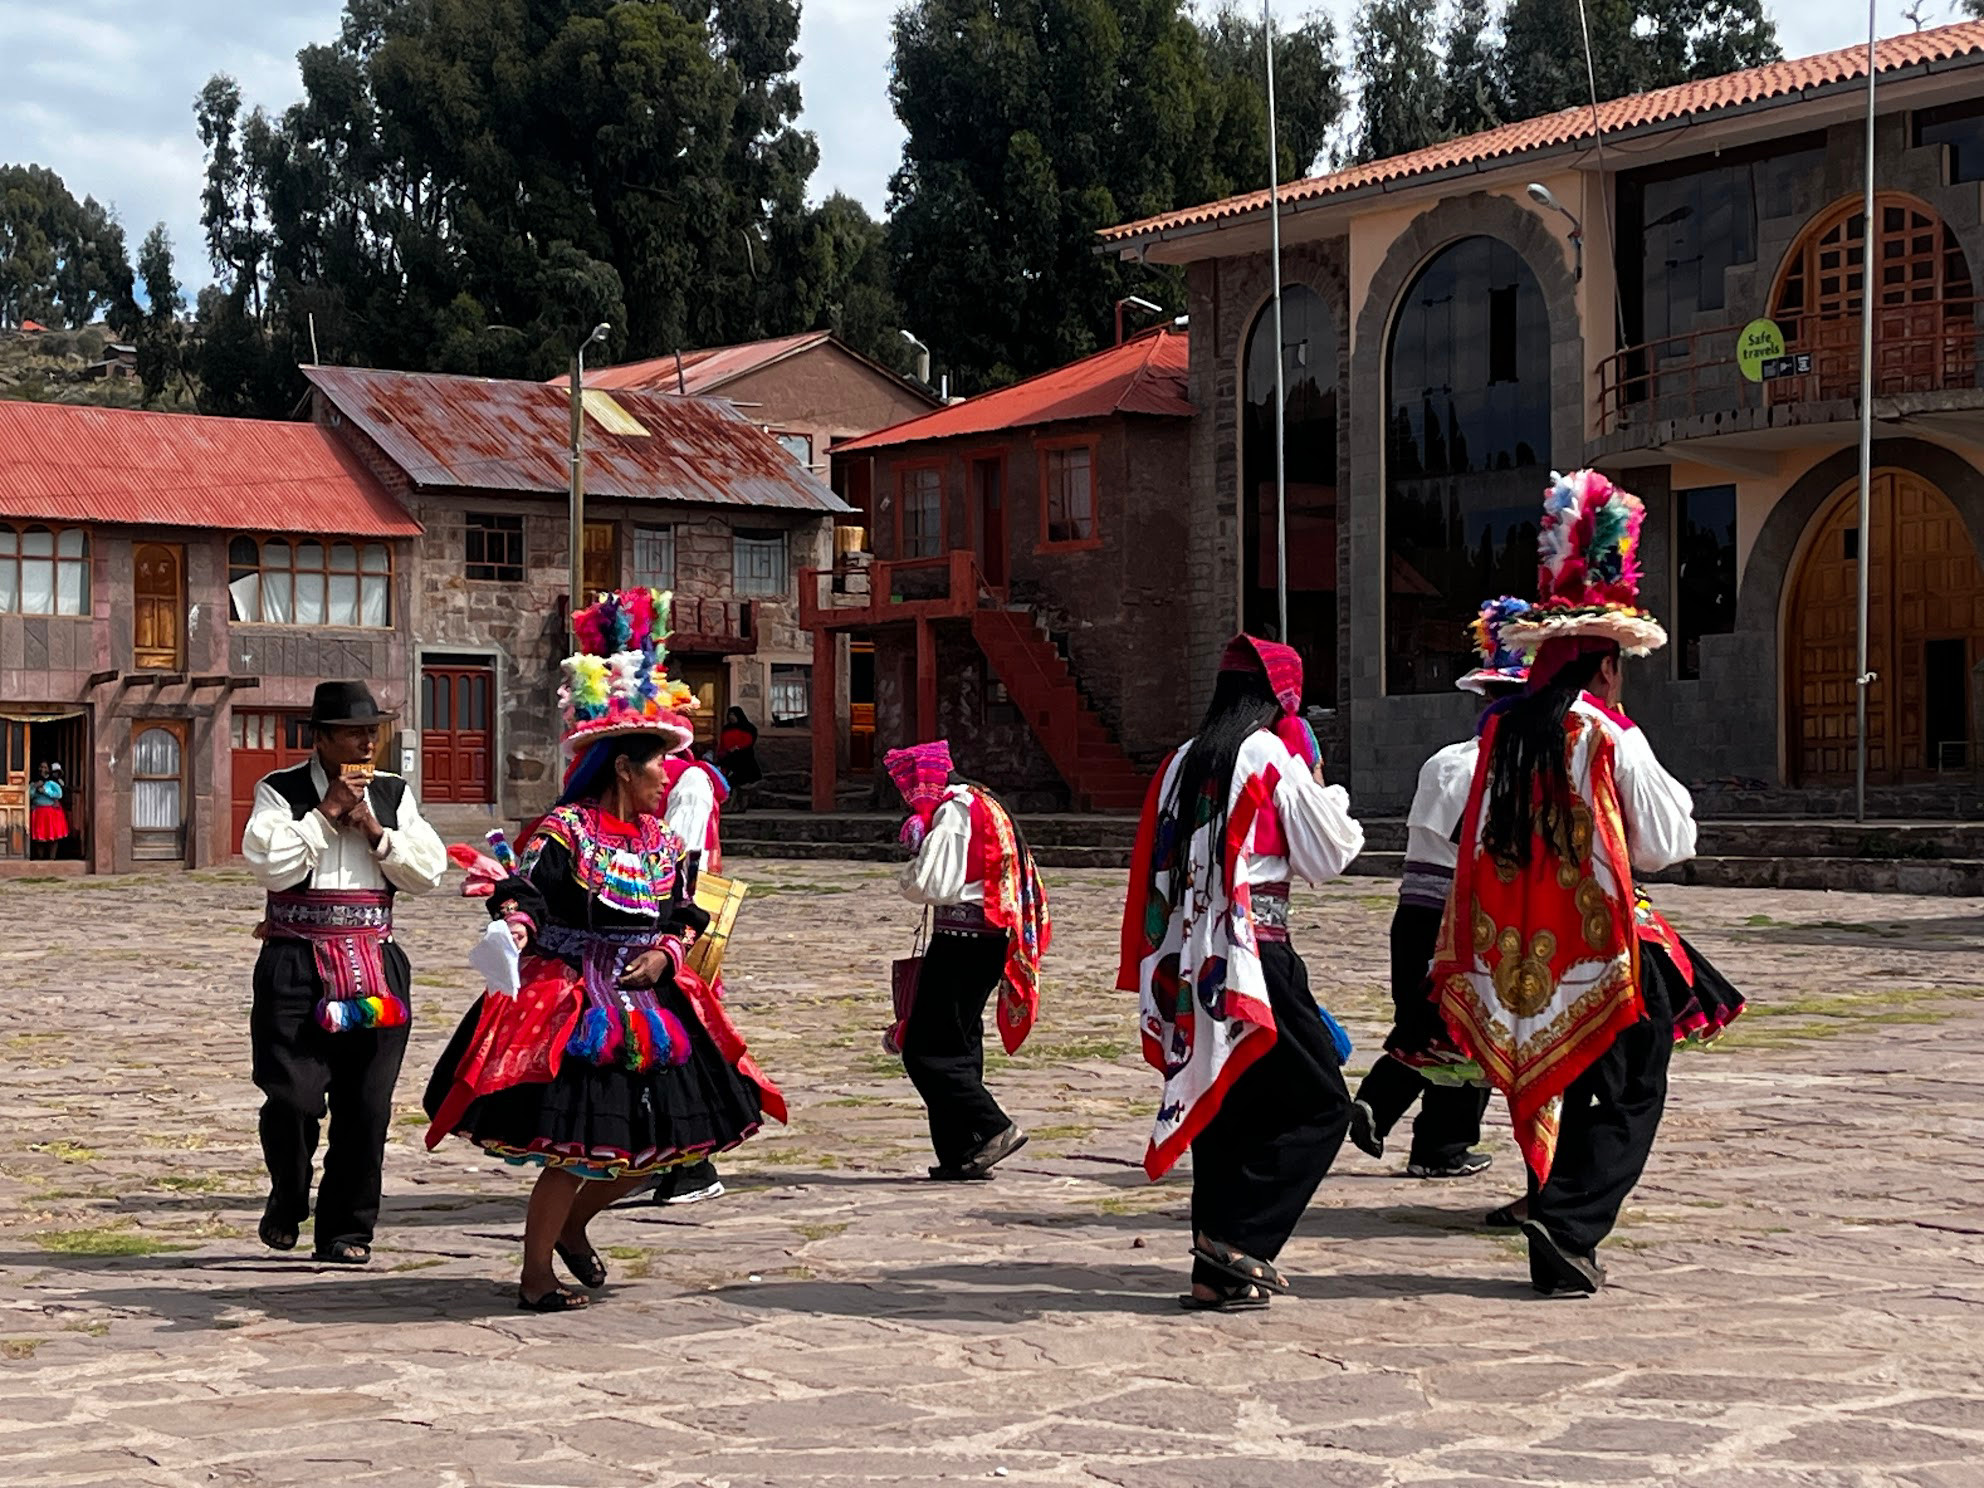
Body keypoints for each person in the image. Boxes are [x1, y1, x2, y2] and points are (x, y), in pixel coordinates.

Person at [424, 588, 786, 1311]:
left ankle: (576, 1230)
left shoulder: (660, 843)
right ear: (625, 767)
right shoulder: (567, 830)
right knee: (573, 1148)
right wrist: (514, 932)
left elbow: (684, 913)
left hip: (650, 1004)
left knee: (659, 1149)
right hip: (573, 1002)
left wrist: (669, 956)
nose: (666, 778)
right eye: (658, 767)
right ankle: (534, 1275)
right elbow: (524, 895)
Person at [1431, 470, 1697, 1296]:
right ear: (1607, 669)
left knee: (1581, 1085)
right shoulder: (1610, 735)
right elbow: (1664, 843)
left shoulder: (1499, 738)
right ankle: (1570, 1218)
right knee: (1632, 1089)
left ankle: (1559, 1215)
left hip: (1525, 948)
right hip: (1607, 944)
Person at [1119, 636, 1365, 1312]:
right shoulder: (1266, 756)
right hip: (1256, 953)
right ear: (1282, 699)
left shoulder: (1178, 761)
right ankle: (1243, 1240)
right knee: (1323, 1103)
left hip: (1191, 957)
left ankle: (1215, 1272)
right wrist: (1320, 783)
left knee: (1228, 1107)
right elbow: (1331, 853)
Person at [241, 682, 447, 1265]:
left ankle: (347, 1230)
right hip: (295, 962)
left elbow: (428, 872)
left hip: (374, 962)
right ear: (323, 737)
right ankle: (288, 1191)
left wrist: (377, 833)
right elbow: (272, 865)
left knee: (367, 1106)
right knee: (291, 1097)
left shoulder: (393, 793)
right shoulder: (279, 791)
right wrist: (328, 814)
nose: (366, 742)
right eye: (354, 732)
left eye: (372, 731)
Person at [1347, 598, 1532, 1180]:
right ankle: (1434, 1141)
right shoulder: (1500, 768)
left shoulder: (1444, 762)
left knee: (1431, 1022)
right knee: (1465, 1028)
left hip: (1414, 912)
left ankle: (1395, 1115)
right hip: (1463, 915)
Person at [890, 739, 1051, 1181]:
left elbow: (931, 883)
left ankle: (991, 1127)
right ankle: (961, 1152)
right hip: (983, 937)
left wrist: (911, 865)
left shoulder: (955, 811)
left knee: (924, 1050)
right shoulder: (980, 802)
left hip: (963, 939)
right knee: (958, 1044)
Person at [649, 746, 733, 1208]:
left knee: (682, 1035)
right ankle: (656, 1155)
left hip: (675, 925)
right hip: (640, 922)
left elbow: (676, 857)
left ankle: (693, 1162)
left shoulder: (689, 782)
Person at [716, 707, 761, 812]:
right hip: (729, 759)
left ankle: (740, 805)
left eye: (733, 715)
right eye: (730, 715)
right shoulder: (727, 728)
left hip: (744, 760)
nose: (731, 717)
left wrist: (738, 747)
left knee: (740, 784)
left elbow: (749, 741)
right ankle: (732, 806)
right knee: (730, 783)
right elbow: (723, 743)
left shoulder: (748, 728)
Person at [28, 762, 67, 859]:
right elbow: (29, 795)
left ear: (49, 769)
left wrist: (45, 791)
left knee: (53, 836)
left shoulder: (53, 781)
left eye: (45, 767)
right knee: (39, 837)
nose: (42, 769)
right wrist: (35, 787)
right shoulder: (33, 781)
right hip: (38, 811)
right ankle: (40, 859)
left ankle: (51, 858)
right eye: (41, 767)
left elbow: (59, 794)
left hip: (51, 812)